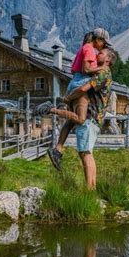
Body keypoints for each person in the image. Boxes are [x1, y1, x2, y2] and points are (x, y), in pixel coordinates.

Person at [47, 28, 113, 171]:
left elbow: (74, 69)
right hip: (80, 84)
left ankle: (57, 150)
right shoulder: (89, 49)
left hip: (74, 82)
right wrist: (100, 69)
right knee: (80, 119)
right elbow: (87, 69)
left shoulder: (84, 48)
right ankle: (51, 110)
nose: (104, 47)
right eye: (104, 44)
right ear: (98, 40)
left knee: (71, 121)